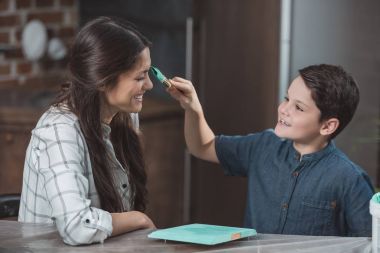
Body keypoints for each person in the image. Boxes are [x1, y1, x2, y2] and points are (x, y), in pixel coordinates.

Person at [167, 64, 374, 236]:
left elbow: (371, 244)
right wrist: (193, 109)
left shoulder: (350, 180)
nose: (284, 109)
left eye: (299, 108)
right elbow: (202, 146)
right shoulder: (263, 146)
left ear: (328, 126)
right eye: (286, 99)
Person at [18, 16, 156, 245]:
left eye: (148, 73)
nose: (149, 85)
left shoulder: (125, 116)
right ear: (102, 81)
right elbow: (76, 226)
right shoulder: (59, 130)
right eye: (140, 77)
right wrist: (138, 219)